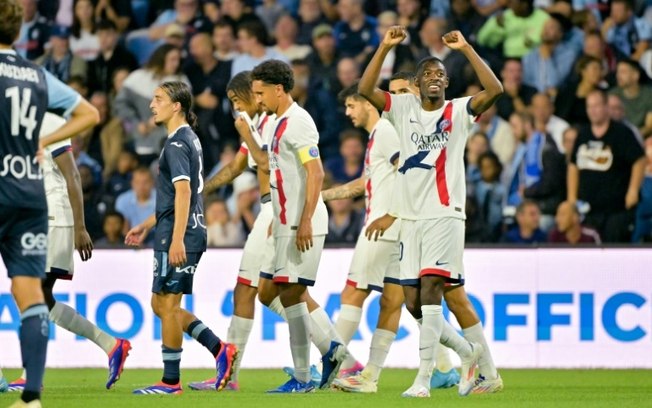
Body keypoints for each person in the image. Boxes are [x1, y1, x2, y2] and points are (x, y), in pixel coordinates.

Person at [359, 27, 504, 397]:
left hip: (444, 214)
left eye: (440, 74)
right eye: (428, 74)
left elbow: (495, 90)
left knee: (431, 291)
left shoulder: (458, 110)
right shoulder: (402, 109)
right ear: (418, 84)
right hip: (411, 219)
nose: (435, 79)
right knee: (415, 301)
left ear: (447, 82)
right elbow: (364, 90)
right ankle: (474, 358)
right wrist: (386, 45)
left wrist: (467, 48)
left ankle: (423, 379)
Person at [325, 84, 460, 393]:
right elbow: (366, 183)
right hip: (395, 228)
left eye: (351, 105)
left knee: (352, 294)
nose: (348, 113)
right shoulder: (379, 135)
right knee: (393, 303)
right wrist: (322, 197)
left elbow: (410, 171)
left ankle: (329, 365)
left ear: (365, 103)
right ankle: (376, 375)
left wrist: (392, 214)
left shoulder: (386, 131)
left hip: (382, 226)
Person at [1, 1, 100, 406]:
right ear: (19, 30)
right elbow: (90, 113)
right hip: (29, 199)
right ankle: (32, 397)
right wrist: (39, 143)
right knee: (31, 298)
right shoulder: (37, 75)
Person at [125, 81, 237, 395]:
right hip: (178, 229)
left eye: (158, 98)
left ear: (177, 105)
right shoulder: (188, 138)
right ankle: (219, 350)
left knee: (169, 305)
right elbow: (176, 196)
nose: (151, 105)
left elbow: (185, 192)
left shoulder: (176, 143)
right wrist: (148, 223)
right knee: (160, 304)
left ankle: (170, 382)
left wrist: (176, 240)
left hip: (180, 234)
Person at [7, 113, 130, 393]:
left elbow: (72, 174)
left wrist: (80, 227)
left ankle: (31, 374)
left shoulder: (50, 122)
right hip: (33, 221)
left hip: (54, 220)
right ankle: (111, 345)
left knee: (32, 294)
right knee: (35, 296)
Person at [251, 59, 349, 393]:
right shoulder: (276, 122)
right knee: (274, 291)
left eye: (261, 92)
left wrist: (304, 219)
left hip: (301, 222)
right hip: (285, 221)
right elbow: (279, 172)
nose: (258, 100)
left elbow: (316, 173)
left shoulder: (299, 122)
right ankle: (330, 352)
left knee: (291, 292)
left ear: (279, 89)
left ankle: (304, 375)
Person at [188, 71, 288, 391]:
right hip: (271, 208)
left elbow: (265, 163)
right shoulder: (259, 125)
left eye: (237, 100)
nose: (235, 107)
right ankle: (335, 351)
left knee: (250, 291)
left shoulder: (272, 123)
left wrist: (245, 132)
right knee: (270, 293)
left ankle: (229, 374)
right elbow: (235, 167)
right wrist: (202, 190)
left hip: (277, 208)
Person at [567, 89, 645, 243]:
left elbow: (639, 160)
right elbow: (573, 167)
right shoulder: (582, 134)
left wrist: (633, 190)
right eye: (589, 107)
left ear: (606, 107)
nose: (593, 111)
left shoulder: (622, 133)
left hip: (617, 208)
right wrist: (571, 197)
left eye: (596, 106)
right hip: (588, 208)